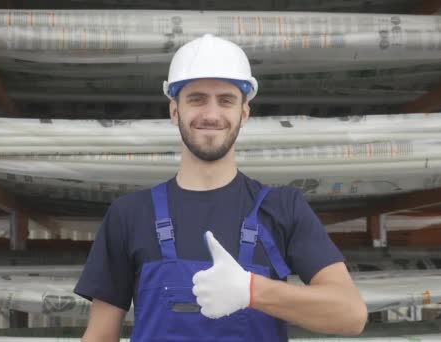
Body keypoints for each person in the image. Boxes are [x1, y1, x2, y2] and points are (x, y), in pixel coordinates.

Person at [74, 34, 367, 341]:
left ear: (244, 112)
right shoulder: (130, 214)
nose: (211, 114)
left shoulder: (283, 207)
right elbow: (100, 336)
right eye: (196, 98)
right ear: (174, 111)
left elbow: (350, 314)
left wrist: (252, 291)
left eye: (225, 99)